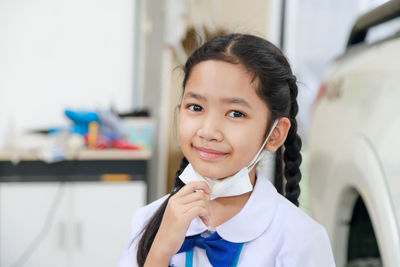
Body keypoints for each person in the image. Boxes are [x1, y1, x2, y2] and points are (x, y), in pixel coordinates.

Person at [118, 33, 336, 267]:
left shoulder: (301, 239)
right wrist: (160, 250)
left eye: (235, 113)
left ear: (275, 134)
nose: (208, 131)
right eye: (196, 107)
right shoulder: (148, 221)